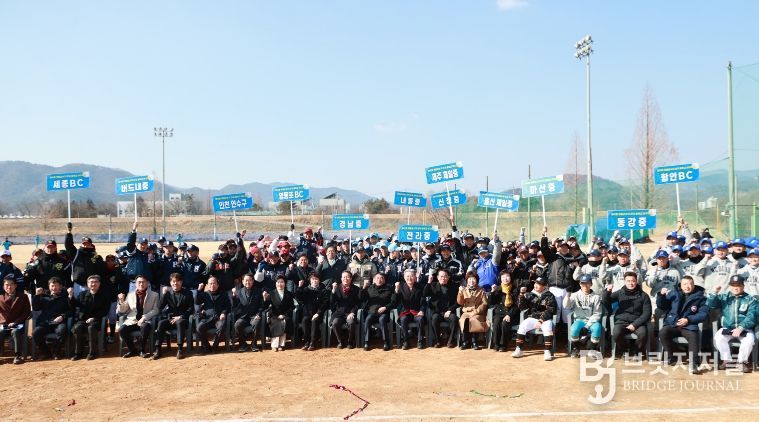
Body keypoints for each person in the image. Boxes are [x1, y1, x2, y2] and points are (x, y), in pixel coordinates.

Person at [707, 275, 758, 373]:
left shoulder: (751, 299)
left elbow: (752, 316)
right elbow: (711, 304)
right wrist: (714, 292)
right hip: (728, 327)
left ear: (743, 286)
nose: (735, 287)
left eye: (738, 285)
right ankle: (727, 360)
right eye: (733, 285)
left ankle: (741, 362)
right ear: (730, 286)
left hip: (745, 328)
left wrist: (741, 327)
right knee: (718, 338)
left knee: (749, 340)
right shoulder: (724, 297)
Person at [657, 275, 708, 373]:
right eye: (684, 284)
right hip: (673, 323)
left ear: (693, 285)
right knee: (663, 333)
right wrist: (661, 296)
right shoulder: (674, 293)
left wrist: (688, 319)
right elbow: (662, 306)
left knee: (693, 336)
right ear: (681, 285)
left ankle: (693, 363)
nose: (687, 286)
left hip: (689, 325)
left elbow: (703, 314)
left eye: (690, 284)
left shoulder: (700, 298)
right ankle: (672, 357)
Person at [603, 271, 652, 360]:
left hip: (638, 322)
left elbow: (647, 313)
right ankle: (626, 350)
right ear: (624, 282)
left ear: (636, 281)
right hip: (622, 321)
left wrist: (634, 324)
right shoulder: (620, 293)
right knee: (616, 333)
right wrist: (607, 292)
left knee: (643, 333)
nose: (631, 283)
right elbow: (606, 301)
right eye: (628, 281)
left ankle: (637, 352)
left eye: (633, 281)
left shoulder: (644, 296)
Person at [512, 276, 557, 361]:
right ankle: (519, 349)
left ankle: (547, 351)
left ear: (544, 286)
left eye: (539, 284)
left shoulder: (550, 295)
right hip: (533, 317)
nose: (536, 285)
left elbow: (551, 310)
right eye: (535, 283)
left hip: (545, 319)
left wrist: (541, 320)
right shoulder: (530, 294)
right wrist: (521, 295)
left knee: (548, 329)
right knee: (522, 326)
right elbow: (522, 307)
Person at [69, 275, 110, 360]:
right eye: (91, 282)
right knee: (77, 327)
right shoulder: (82, 294)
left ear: (99, 284)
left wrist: (94, 318)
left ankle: (92, 353)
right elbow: (74, 305)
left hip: (97, 320)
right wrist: (70, 296)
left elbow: (105, 311)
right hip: (83, 320)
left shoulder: (105, 295)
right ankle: (78, 353)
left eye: (95, 282)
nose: (93, 284)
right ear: (87, 284)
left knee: (91, 328)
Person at [116, 275, 159, 358]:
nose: (141, 284)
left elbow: (156, 310)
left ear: (147, 283)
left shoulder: (154, 295)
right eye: (139, 282)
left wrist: (144, 318)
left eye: (143, 282)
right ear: (136, 284)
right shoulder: (130, 295)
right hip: (132, 320)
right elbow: (123, 310)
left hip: (145, 321)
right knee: (121, 330)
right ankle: (132, 350)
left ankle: (142, 350)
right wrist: (121, 301)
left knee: (145, 327)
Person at [154, 273, 194, 360]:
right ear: (170, 283)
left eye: (177, 281)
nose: (175, 283)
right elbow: (160, 307)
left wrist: (181, 316)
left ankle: (180, 349)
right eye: (173, 281)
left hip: (183, 319)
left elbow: (191, 309)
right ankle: (158, 349)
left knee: (180, 322)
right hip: (171, 319)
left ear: (181, 282)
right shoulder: (168, 294)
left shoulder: (188, 293)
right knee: (161, 323)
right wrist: (163, 295)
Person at [564, 274, 603, 359]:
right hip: (579, 320)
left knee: (597, 328)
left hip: (592, 321)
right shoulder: (575, 295)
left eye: (587, 283)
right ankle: (576, 349)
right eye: (583, 283)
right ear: (580, 284)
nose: (585, 286)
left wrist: (587, 326)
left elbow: (597, 313)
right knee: (574, 329)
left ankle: (592, 350)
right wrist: (567, 296)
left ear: (591, 284)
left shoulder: (596, 297)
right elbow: (566, 306)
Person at [31, 277, 70, 360]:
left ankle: (56, 352)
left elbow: (71, 310)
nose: (54, 288)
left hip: (59, 322)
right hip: (46, 322)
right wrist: (36, 296)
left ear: (61, 286)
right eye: (52, 286)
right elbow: (36, 307)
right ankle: (46, 353)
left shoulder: (66, 297)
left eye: (56, 286)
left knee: (62, 331)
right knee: (36, 333)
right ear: (49, 286)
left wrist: (62, 316)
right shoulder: (44, 296)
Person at [64, 222, 105, 297]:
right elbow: (68, 245)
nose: (86, 246)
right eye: (84, 244)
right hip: (78, 285)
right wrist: (69, 233)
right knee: (77, 303)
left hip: (93, 286)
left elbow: (101, 271)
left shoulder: (97, 257)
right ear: (81, 244)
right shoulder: (76, 254)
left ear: (91, 245)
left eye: (88, 244)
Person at [195, 276, 231, 354]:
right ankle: (207, 347)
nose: (212, 285)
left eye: (214, 283)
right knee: (199, 328)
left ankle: (215, 347)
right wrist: (199, 290)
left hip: (219, 318)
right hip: (207, 318)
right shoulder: (205, 294)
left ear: (218, 285)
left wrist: (223, 313)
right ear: (207, 285)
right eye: (210, 284)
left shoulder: (224, 294)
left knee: (222, 326)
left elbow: (228, 306)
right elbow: (197, 302)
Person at [425, 268, 460, 348]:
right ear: (437, 277)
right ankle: (437, 341)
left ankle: (451, 340)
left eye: (445, 276)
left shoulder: (454, 286)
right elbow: (424, 294)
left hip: (449, 311)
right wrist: (429, 282)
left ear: (448, 277)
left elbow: (458, 302)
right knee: (434, 319)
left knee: (454, 319)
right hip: (437, 311)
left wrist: (450, 310)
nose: (443, 278)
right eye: (441, 276)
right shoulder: (433, 285)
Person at [0, 275, 31, 364]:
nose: (9, 287)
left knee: (15, 331)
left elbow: (27, 312)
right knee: (0, 332)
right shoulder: (0, 297)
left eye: (11, 284)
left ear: (16, 285)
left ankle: (18, 356)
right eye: (6, 285)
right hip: (4, 325)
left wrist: (16, 322)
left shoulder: (23, 297)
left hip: (18, 324)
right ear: (3, 286)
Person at [295, 273, 330, 351]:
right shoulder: (306, 289)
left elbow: (325, 303)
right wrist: (299, 287)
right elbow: (299, 298)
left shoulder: (323, 290)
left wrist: (318, 313)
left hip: (318, 314)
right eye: (313, 279)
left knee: (314, 321)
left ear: (319, 280)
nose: (315, 281)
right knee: (305, 320)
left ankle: (313, 342)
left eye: (316, 279)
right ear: (310, 280)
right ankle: (306, 342)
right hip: (307, 313)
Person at [394, 268, 427, 349]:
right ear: (404, 277)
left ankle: (420, 341)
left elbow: (423, 302)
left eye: (412, 276)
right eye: (407, 276)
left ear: (415, 277)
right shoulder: (401, 287)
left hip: (416, 311)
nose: (409, 278)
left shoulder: (420, 287)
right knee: (403, 319)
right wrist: (396, 290)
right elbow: (395, 301)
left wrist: (422, 310)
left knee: (420, 319)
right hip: (405, 311)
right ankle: (406, 341)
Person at [360, 272, 394, 351]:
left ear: (384, 280)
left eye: (381, 278)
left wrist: (385, 307)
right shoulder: (369, 288)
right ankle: (366, 342)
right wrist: (364, 287)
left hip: (384, 312)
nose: (379, 280)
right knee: (368, 319)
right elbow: (361, 298)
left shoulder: (389, 289)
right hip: (372, 312)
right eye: (377, 278)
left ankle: (386, 342)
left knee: (382, 319)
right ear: (374, 280)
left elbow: (393, 302)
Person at [232, 273, 264, 352]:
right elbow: (235, 306)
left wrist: (258, 314)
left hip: (254, 316)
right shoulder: (239, 292)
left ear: (253, 281)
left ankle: (254, 344)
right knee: (237, 324)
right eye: (246, 280)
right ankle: (243, 344)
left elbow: (261, 306)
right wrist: (234, 296)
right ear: (242, 281)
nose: (248, 282)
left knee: (256, 323)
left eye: (250, 280)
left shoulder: (258, 291)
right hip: (243, 317)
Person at [489, 270, 520, 352]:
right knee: (496, 323)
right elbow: (491, 302)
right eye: (503, 277)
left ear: (510, 278)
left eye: (507, 276)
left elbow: (517, 305)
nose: (505, 279)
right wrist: (492, 292)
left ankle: (503, 345)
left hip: (511, 313)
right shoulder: (498, 288)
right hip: (499, 313)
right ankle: (496, 344)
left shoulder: (515, 289)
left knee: (504, 323)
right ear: (500, 278)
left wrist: (509, 315)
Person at [457, 271, 488, 350]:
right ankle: (465, 341)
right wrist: (460, 293)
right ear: (467, 280)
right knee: (465, 320)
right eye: (470, 279)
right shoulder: (464, 289)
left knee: (474, 319)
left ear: (476, 280)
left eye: (473, 279)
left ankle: (474, 342)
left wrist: (476, 311)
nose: (471, 281)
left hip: (478, 312)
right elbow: (460, 302)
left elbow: (484, 303)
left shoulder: (481, 290)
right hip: (467, 312)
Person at [263, 275, 295, 351]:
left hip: (285, 315)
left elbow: (291, 307)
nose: (280, 284)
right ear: (275, 283)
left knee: (284, 321)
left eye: (282, 282)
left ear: (285, 283)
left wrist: (284, 315)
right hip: (274, 315)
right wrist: (264, 298)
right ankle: (274, 345)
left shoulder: (289, 294)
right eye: (278, 282)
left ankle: (281, 344)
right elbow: (265, 307)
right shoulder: (271, 293)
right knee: (276, 322)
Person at [330, 271, 360, 349]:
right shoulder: (337, 288)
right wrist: (333, 291)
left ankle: (350, 342)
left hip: (350, 312)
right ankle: (341, 341)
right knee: (335, 323)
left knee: (351, 322)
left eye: (347, 277)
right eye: (344, 277)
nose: (345, 279)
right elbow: (332, 303)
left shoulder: (356, 289)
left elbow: (358, 303)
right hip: (339, 313)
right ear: (341, 278)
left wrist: (352, 312)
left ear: (351, 278)